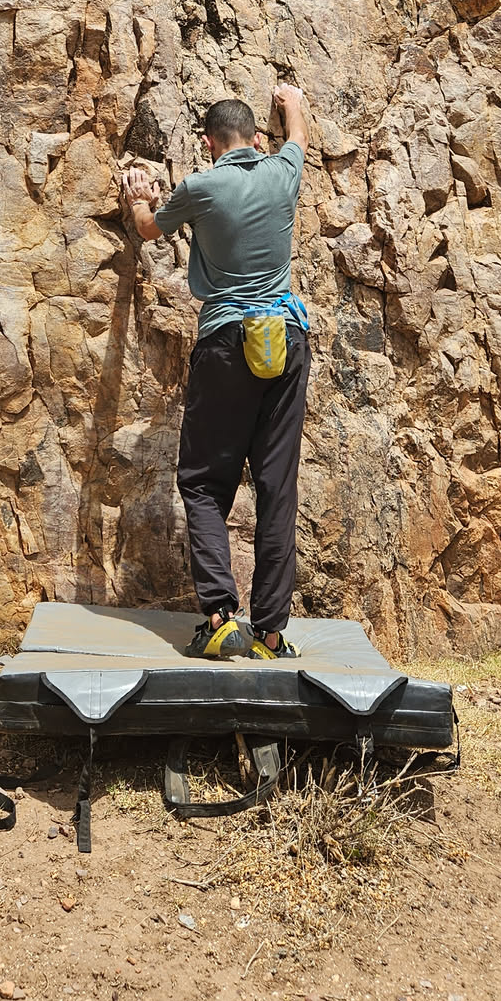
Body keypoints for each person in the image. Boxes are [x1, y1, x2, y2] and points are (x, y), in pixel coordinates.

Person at [120, 86, 311, 661]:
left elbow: (149, 228)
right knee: (276, 487)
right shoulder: (283, 172)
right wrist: (291, 101)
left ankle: (223, 619)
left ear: (208, 143)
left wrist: (139, 197)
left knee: (204, 481)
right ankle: (271, 634)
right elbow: (298, 136)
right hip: (286, 337)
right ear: (256, 138)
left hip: (227, 339)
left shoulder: (201, 187)